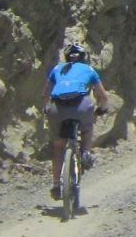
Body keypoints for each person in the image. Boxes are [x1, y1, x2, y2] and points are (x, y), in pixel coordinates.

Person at [46, 42, 111, 201]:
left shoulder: (57, 69)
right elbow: (103, 96)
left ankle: (56, 184)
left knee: (59, 147)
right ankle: (86, 152)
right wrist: (102, 109)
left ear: (66, 57)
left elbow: (45, 94)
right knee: (87, 128)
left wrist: (45, 108)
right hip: (81, 107)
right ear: (83, 57)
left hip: (57, 109)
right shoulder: (88, 69)